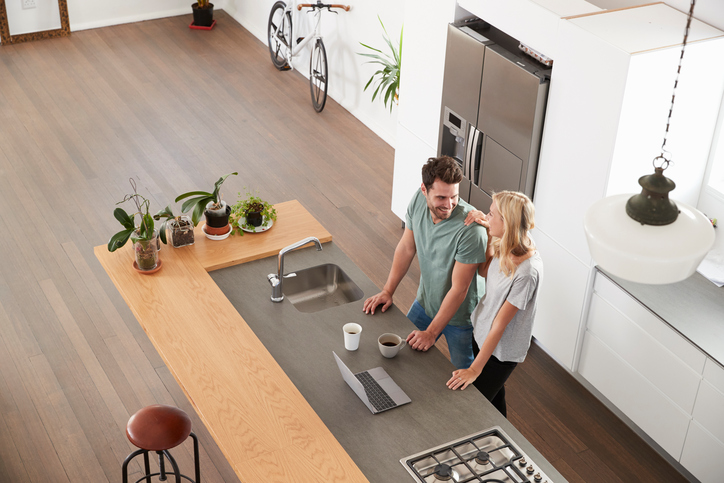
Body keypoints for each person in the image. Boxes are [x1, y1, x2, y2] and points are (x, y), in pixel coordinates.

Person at [363, 156, 487, 369]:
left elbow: (459, 289)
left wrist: (431, 333)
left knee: (464, 378)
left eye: (454, 197)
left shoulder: (471, 230)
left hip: (461, 318)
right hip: (426, 301)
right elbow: (406, 247)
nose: (448, 205)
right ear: (424, 190)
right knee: (399, 355)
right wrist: (387, 291)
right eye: (441, 197)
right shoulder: (418, 201)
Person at [446, 191, 543, 417]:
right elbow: (484, 271)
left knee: (473, 408)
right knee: (493, 400)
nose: (486, 217)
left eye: (491, 214)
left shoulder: (528, 272)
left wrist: (474, 369)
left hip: (501, 352)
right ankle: (505, 445)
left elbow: (500, 325)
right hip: (481, 333)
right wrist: (489, 235)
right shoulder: (508, 241)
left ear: (507, 222)